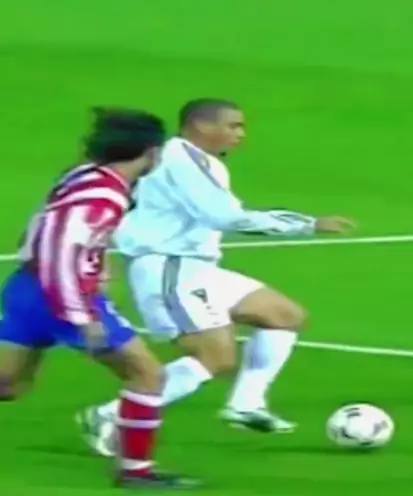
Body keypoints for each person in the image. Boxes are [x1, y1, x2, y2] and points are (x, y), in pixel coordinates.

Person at [78, 99, 355, 457]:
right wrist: (307, 225)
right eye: (233, 126)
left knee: (284, 315)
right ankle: (108, 415)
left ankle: (246, 405)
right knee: (215, 357)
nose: (240, 134)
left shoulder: (195, 160)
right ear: (201, 126)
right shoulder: (182, 159)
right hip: (169, 267)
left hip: (195, 266)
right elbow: (226, 217)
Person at [0, 107, 198, 491]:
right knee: (148, 375)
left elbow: (42, 227)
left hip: (27, 288)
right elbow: (60, 250)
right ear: (151, 153)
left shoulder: (83, 175)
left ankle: (136, 470)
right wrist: (82, 315)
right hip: (63, 296)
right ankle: (136, 472)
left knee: (9, 384)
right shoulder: (104, 196)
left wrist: (97, 260)